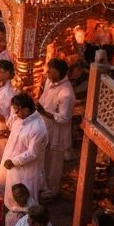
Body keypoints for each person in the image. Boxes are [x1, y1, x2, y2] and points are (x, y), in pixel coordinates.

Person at [0, 93, 49, 210]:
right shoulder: (20, 118)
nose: (15, 112)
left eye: (17, 109)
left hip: (25, 170)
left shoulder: (37, 127)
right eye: (14, 109)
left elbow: (32, 153)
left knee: (23, 202)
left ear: (27, 109)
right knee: (6, 192)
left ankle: (25, 224)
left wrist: (14, 161)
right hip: (10, 164)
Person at [38, 57, 76, 200]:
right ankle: (42, 186)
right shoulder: (50, 81)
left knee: (54, 164)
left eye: (52, 72)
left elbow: (64, 118)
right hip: (45, 127)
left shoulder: (66, 93)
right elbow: (43, 99)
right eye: (48, 71)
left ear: (60, 73)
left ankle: (51, 191)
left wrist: (44, 112)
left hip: (57, 132)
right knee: (44, 160)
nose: (48, 74)